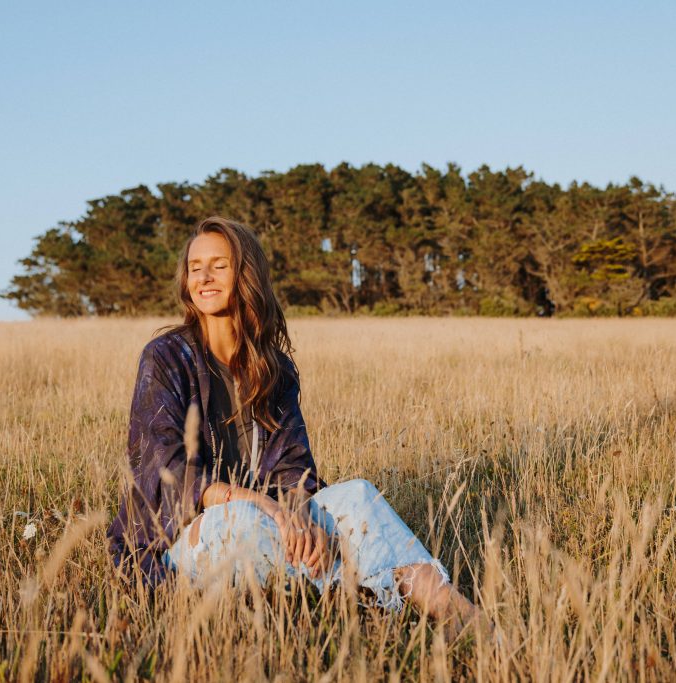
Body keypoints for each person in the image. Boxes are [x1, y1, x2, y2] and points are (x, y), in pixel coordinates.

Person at [106, 216, 486, 640]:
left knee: (358, 495)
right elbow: (164, 468)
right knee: (244, 521)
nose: (204, 277)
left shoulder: (275, 369)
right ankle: (358, 595)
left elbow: (294, 469)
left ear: (246, 274)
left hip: (269, 525)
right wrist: (268, 507)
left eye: (219, 265)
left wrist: (299, 513)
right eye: (195, 267)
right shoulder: (164, 358)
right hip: (175, 544)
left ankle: (467, 623)